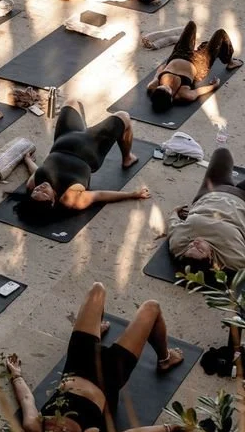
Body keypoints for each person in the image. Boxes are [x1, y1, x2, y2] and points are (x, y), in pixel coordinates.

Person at [7, 281, 184, 432]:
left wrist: (16, 375)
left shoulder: (34, 426)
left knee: (97, 290)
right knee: (152, 307)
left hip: (77, 364)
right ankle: (165, 358)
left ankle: (96, 332)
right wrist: (169, 428)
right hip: (109, 375)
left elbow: (27, 399)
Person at [21, 100, 149, 214]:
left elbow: (36, 170)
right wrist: (132, 194)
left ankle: (85, 129)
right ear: (53, 201)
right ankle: (127, 158)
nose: (40, 188)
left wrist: (27, 160)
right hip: (91, 147)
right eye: (44, 193)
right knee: (124, 116)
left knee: (71, 102)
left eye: (36, 192)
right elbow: (100, 195)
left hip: (65, 137)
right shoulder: (70, 199)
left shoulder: (32, 184)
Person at [167, 146, 245, 272]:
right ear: (210, 257)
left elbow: (173, 225)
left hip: (211, 192)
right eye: (199, 249)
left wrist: (175, 212)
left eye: (190, 247)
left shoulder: (178, 246)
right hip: (242, 200)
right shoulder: (234, 259)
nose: (194, 243)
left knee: (222, 152)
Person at [146, 20, 242, 114]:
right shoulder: (184, 94)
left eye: (162, 86)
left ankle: (196, 47)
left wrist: (166, 68)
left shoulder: (152, 86)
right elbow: (199, 91)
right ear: (171, 97)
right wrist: (214, 86)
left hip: (179, 54)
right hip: (199, 63)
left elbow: (158, 73)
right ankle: (230, 62)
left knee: (191, 25)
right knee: (220, 33)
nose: (166, 85)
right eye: (167, 89)